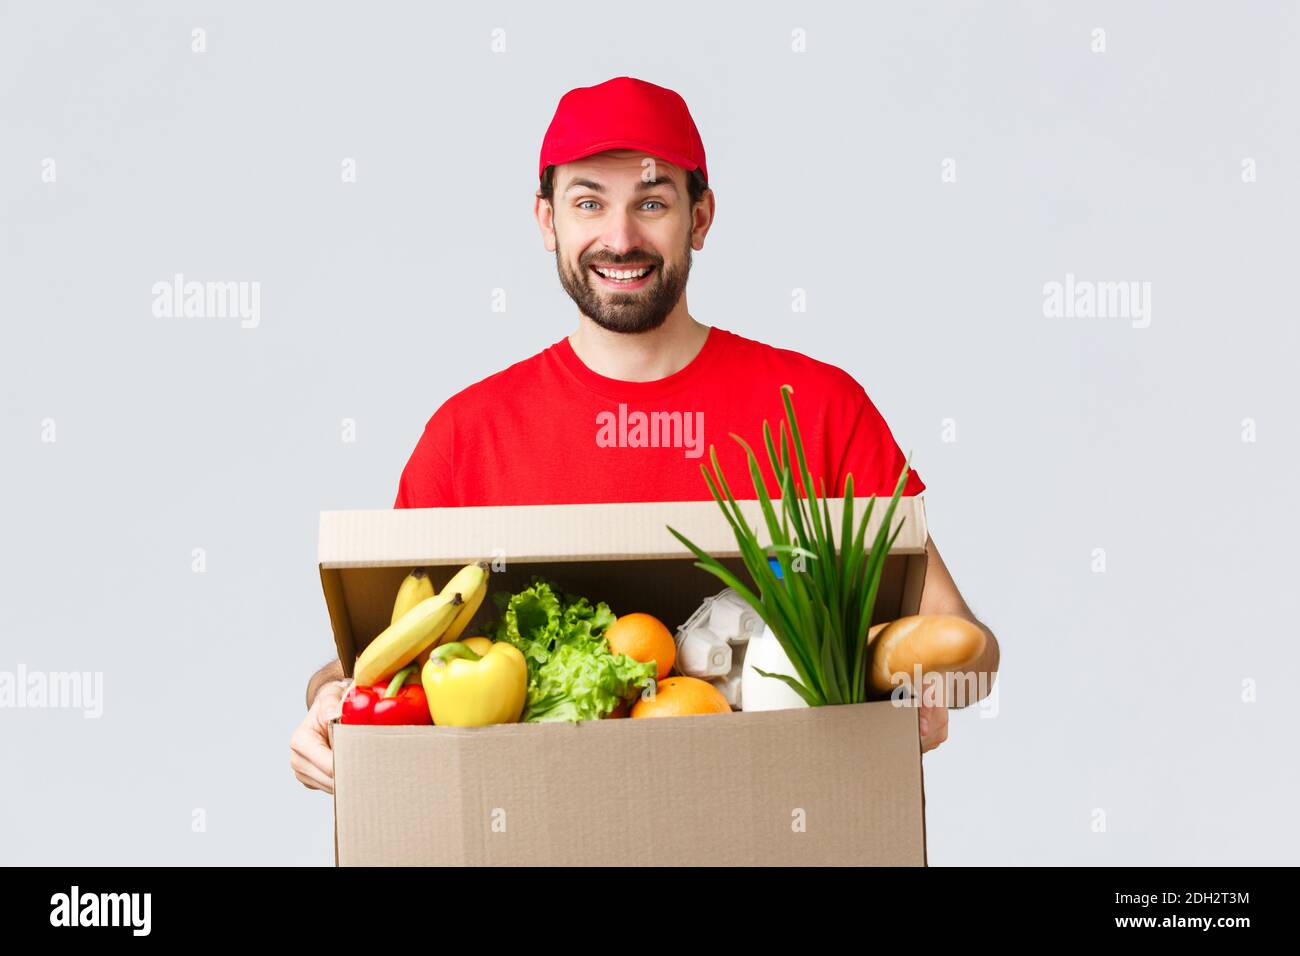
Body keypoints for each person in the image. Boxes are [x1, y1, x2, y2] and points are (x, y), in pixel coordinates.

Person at [291, 76, 1000, 794]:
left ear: (701, 217)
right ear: (547, 221)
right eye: (588, 202)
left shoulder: (816, 406)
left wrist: (920, 693)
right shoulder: (465, 435)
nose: (620, 237)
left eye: (652, 203)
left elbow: (969, 647)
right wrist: (324, 706)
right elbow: (372, 666)